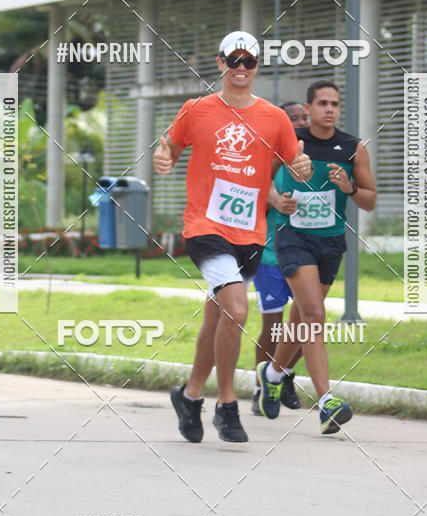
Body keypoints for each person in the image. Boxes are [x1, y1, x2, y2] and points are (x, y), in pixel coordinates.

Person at [153, 31, 312, 443]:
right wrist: (162, 156)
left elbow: (294, 159)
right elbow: (168, 146)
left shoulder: (275, 118)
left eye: (250, 61)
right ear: (221, 62)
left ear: (257, 66)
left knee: (217, 315)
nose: (242, 68)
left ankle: (188, 396)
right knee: (238, 311)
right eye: (234, 59)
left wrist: (302, 168)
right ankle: (226, 405)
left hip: (250, 233)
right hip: (205, 228)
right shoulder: (197, 110)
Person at [257, 80, 377, 434]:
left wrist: (349, 188)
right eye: (322, 103)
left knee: (301, 317)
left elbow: (370, 198)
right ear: (307, 109)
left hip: (330, 242)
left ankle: (274, 372)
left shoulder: (353, 147)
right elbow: (258, 180)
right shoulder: (289, 142)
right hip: (292, 237)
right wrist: (278, 201)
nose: (330, 109)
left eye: (335, 104)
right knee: (314, 313)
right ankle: (326, 401)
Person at [251, 102, 308, 415]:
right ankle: (262, 392)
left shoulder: (314, 160)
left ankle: (280, 373)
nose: (299, 122)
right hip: (271, 254)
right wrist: (274, 200)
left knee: (308, 323)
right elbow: (256, 199)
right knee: (273, 326)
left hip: (307, 254)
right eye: (292, 118)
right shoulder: (269, 159)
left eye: (303, 117)